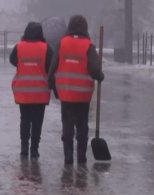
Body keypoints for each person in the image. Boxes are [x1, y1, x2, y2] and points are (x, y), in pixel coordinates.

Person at [48, 15, 104, 164]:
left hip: (66, 94)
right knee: (82, 125)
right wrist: (100, 76)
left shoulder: (62, 43)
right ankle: (81, 156)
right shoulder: (88, 45)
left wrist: (52, 86)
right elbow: (94, 69)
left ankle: (68, 156)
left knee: (67, 125)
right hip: (83, 95)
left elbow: (53, 67)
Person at [10, 22, 53, 159]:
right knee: (37, 121)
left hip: (23, 91)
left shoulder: (19, 47)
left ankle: (24, 147)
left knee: (25, 119)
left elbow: (12, 60)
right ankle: (34, 149)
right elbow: (51, 66)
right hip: (40, 92)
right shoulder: (46, 48)